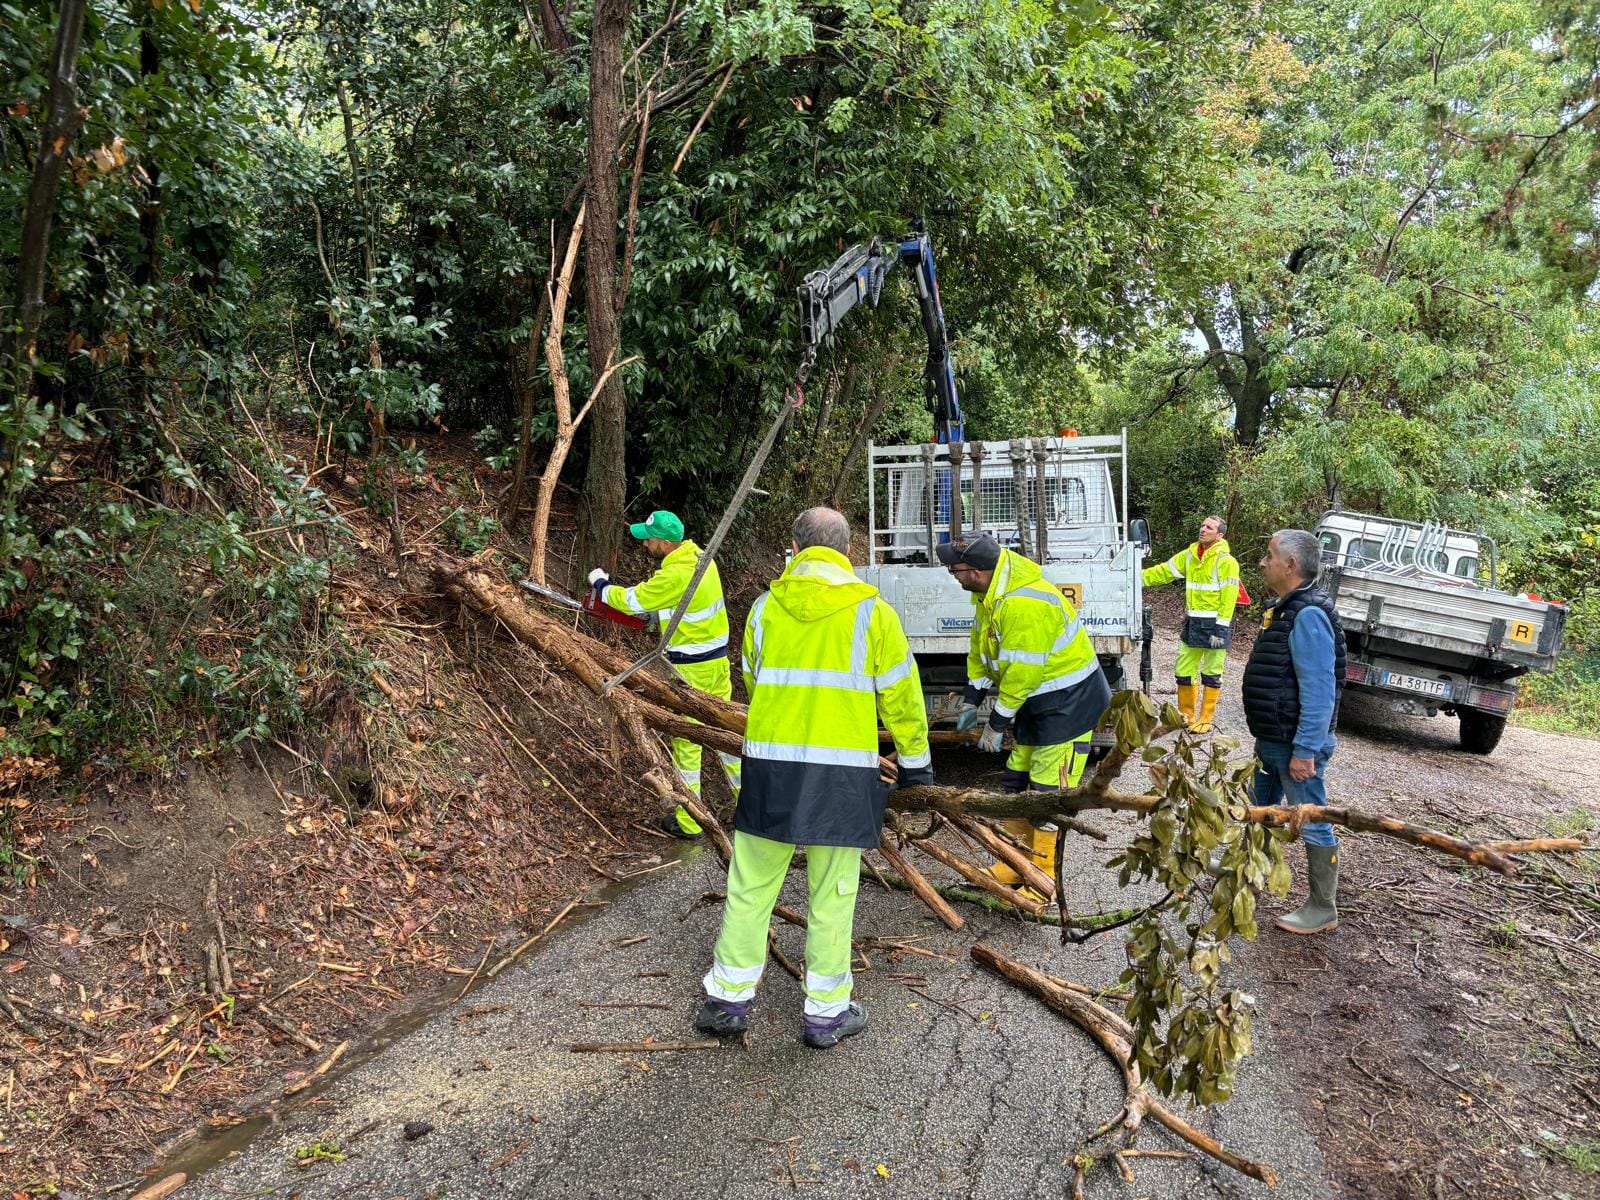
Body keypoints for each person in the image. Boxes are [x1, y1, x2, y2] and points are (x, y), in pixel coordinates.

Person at [695, 507, 933, 1049]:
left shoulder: (762, 609)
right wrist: (916, 760)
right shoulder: (873, 612)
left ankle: (728, 1000)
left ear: (796, 548)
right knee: (833, 891)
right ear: (848, 553)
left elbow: (754, 679)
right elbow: (900, 692)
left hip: (772, 765)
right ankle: (825, 1014)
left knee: (751, 884)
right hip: (843, 772)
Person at [937, 533, 1112, 899]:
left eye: (956, 569)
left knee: (1048, 793)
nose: (952, 575)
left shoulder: (1022, 603)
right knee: (1015, 780)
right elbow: (981, 650)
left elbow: (1021, 672)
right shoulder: (989, 595)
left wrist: (997, 723)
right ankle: (1014, 863)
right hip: (1039, 699)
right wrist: (971, 700)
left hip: (1070, 703)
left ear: (978, 571)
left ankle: (1043, 877)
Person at [588, 510, 739, 839]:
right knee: (728, 736)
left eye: (650, 538)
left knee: (686, 742)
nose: (645, 543)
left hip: (690, 669)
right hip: (716, 663)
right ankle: (748, 807)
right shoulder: (700, 558)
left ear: (667, 543)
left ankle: (690, 822)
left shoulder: (675, 574)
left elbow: (631, 600)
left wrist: (601, 585)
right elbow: (684, 604)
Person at [1241, 528, 1346, 935]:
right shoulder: (1286, 608)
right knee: (1258, 806)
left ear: (1290, 565)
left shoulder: (1309, 615)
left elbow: (1321, 691)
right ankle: (1245, 872)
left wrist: (1306, 749)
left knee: (1312, 817)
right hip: (1273, 739)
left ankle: (1323, 908)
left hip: (1294, 745)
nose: (1263, 562)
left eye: (1269, 555)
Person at [1142, 515, 1240, 732]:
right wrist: (1134, 578)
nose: (1203, 529)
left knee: (1212, 673)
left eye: (1209, 527)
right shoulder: (1190, 555)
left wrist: (1221, 629)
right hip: (1193, 623)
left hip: (1216, 625)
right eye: (1202, 525)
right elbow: (1163, 571)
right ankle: (1185, 716)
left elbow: (1229, 597)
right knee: (1184, 670)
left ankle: (1205, 719)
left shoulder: (1226, 562)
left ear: (1220, 535)